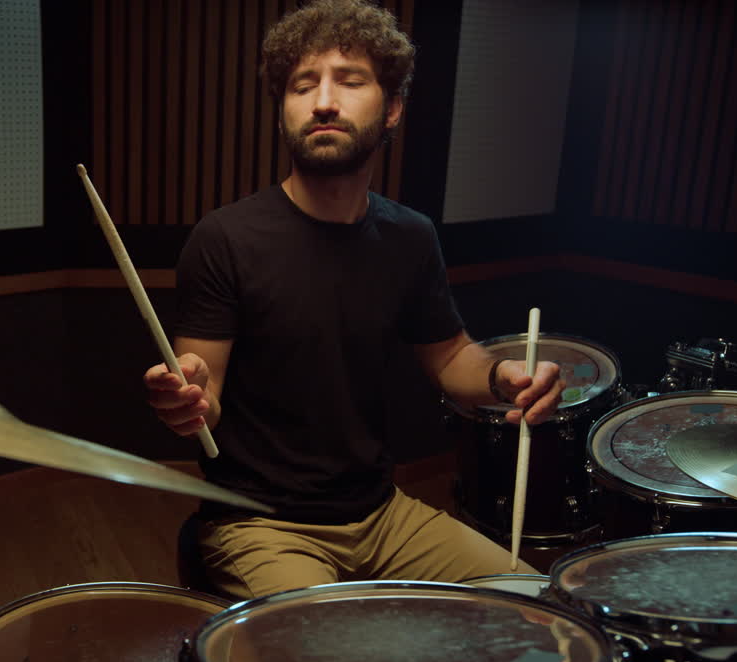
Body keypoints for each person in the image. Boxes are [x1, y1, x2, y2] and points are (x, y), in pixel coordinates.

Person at [143, 0, 566, 600]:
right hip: (260, 523)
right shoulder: (225, 238)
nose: (323, 101)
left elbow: (450, 358)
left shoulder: (410, 236)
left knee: (541, 607)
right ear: (283, 111)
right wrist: (185, 399)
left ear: (391, 108)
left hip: (382, 513)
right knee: (327, 651)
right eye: (302, 85)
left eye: (349, 80)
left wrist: (503, 378)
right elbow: (202, 398)